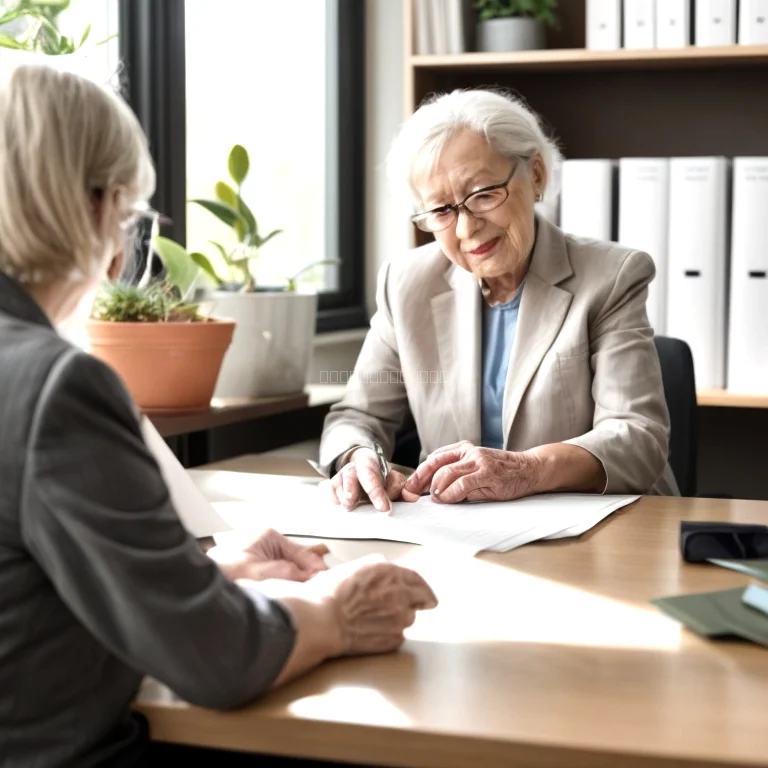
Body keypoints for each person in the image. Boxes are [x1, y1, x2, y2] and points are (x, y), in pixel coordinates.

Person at [0, 64, 437, 768]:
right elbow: (219, 660)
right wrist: (336, 611)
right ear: (90, 208)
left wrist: (207, 575)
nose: (121, 249)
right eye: (128, 214)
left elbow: (27, 593)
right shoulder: (56, 385)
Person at [319, 88, 679, 513]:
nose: (467, 228)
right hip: (459, 531)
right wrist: (361, 457)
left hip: (598, 528)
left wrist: (527, 469)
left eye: (484, 194)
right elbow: (357, 416)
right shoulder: (405, 283)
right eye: (441, 211)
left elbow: (637, 436)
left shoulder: (611, 277)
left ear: (537, 175)